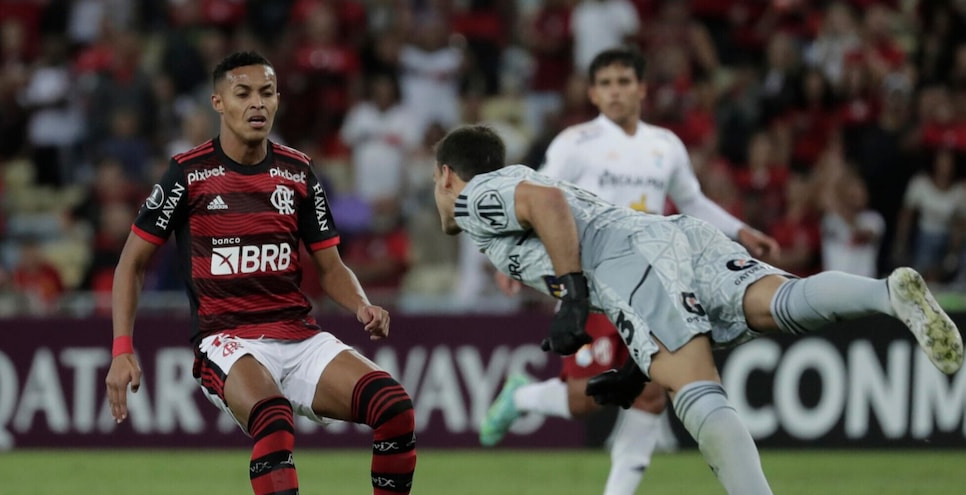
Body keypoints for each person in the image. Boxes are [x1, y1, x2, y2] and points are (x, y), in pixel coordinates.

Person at [432, 124, 963, 495]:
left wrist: (572, 292)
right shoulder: (516, 187)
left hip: (627, 261)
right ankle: (884, 294)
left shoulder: (474, 197)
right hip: (672, 239)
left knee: (695, 391)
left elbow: (548, 209)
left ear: (445, 175)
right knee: (780, 302)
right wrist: (634, 369)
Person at [104, 51, 417, 495]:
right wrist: (121, 348)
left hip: (299, 335)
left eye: (267, 93)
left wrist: (361, 304)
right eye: (244, 93)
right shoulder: (187, 174)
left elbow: (331, 266)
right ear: (218, 103)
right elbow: (130, 264)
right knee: (273, 418)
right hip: (226, 338)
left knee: (394, 408)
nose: (258, 104)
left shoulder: (299, 172)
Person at [480, 46, 780, 495]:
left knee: (653, 391)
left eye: (623, 82)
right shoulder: (574, 144)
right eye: (605, 84)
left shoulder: (665, 145)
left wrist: (741, 230)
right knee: (585, 399)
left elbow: (692, 201)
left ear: (641, 88)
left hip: (657, 283)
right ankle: (521, 396)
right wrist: (512, 257)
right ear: (593, 93)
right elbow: (531, 197)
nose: (615, 92)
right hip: (597, 282)